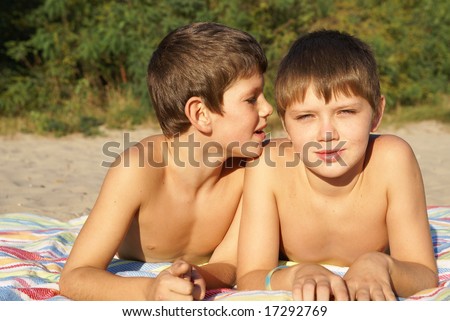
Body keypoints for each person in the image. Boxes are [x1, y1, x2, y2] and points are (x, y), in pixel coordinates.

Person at [59, 22, 273, 301]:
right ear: (200, 114)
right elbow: (75, 276)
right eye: (251, 99)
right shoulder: (137, 171)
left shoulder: (248, 171)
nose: (268, 108)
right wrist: (149, 289)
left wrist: (197, 277)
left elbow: (231, 264)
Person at [236, 29, 437, 301]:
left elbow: (423, 273)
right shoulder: (268, 167)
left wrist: (380, 264)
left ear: (376, 114)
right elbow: (250, 276)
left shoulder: (392, 159)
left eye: (346, 112)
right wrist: (297, 274)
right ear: (285, 125)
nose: (327, 134)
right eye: (306, 116)